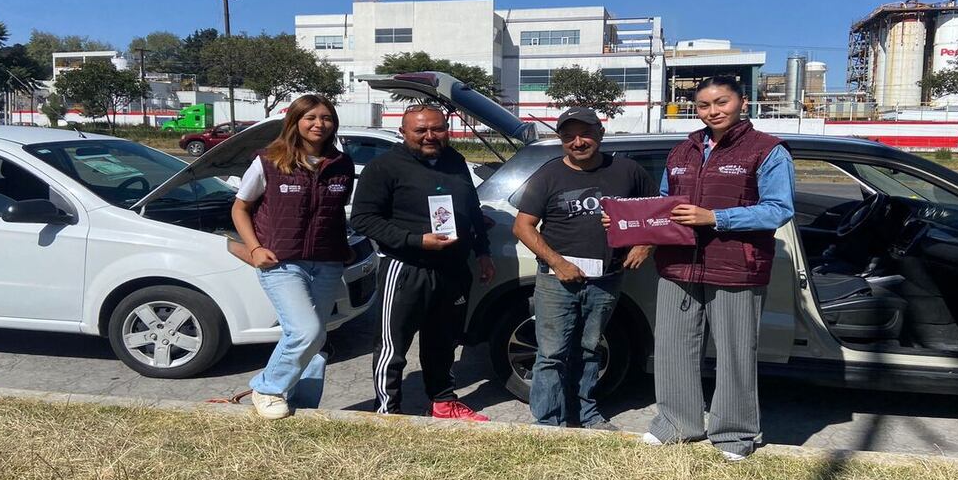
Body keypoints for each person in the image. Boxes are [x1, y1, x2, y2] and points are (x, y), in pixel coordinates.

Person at [642, 77, 794, 460]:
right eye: (704, 105)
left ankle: (734, 433)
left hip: (736, 266)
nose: (713, 111)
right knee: (672, 349)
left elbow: (779, 209)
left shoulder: (768, 150)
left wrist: (715, 217)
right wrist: (634, 223)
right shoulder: (682, 151)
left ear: (742, 102)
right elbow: (665, 203)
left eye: (721, 101)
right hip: (678, 266)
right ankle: (677, 424)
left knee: (736, 353)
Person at [513, 107, 655, 430]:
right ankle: (548, 421)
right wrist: (558, 263)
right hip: (557, 280)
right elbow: (523, 227)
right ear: (561, 139)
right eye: (568, 136)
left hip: (606, 279)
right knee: (551, 353)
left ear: (600, 133)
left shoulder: (628, 171)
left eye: (585, 133)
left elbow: (655, 213)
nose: (577, 142)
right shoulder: (548, 174)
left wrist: (645, 244)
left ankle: (586, 414)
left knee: (590, 348)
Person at [350, 103, 495, 420]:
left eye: (437, 128)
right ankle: (389, 411)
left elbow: (471, 208)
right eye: (421, 130)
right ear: (403, 133)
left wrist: (482, 252)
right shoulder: (384, 167)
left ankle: (443, 402)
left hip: (454, 268)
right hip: (406, 267)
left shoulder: (455, 161)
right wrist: (415, 240)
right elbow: (363, 218)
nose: (430, 136)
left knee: (443, 341)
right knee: (393, 345)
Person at [231, 95, 355, 420]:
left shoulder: (342, 164)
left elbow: (334, 213)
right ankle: (268, 388)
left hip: (327, 262)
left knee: (315, 338)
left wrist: (344, 248)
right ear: (295, 122)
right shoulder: (269, 161)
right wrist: (255, 248)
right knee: (305, 331)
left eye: (326, 117)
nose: (319, 124)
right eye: (310, 117)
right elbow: (240, 207)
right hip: (281, 262)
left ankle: (304, 407)